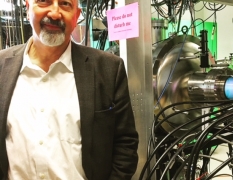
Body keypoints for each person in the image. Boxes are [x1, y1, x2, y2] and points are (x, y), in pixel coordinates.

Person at [0, 0, 139, 179]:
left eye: (65, 4)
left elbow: (125, 144)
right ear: (27, 9)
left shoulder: (108, 69)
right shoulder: (2, 68)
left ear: (76, 16)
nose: (55, 13)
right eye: (44, 2)